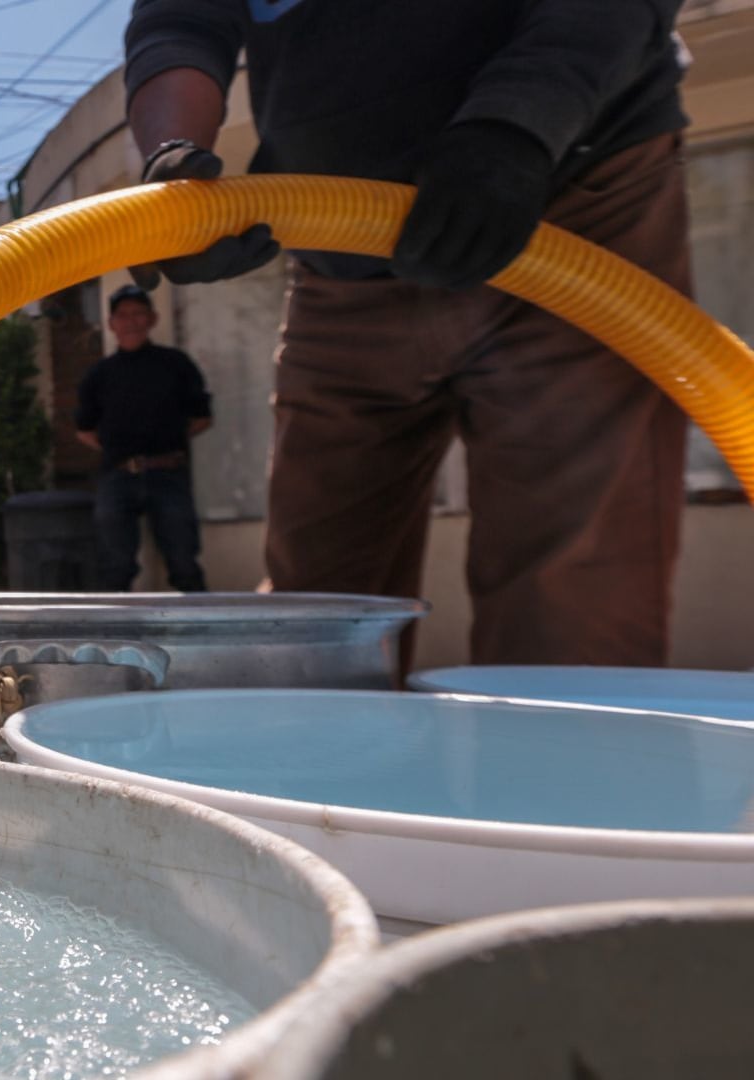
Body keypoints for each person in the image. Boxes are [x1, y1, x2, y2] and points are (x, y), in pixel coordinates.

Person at [122, 0, 689, 666]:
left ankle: (566, 731)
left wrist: (518, 124)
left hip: (565, 200)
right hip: (341, 247)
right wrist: (176, 167)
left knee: (571, 612)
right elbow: (183, 19)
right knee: (317, 623)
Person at [74, 284, 214, 593]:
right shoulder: (98, 374)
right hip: (117, 477)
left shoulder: (176, 364)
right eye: (123, 315)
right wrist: (119, 450)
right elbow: (84, 430)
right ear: (111, 323)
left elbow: (202, 418)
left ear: (152, 318)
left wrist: (167, 443)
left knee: (184, 564)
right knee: (115, 568)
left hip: (169, 473)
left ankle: (201, 623)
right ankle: (115, 625)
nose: (131, 321)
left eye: (138, 313)